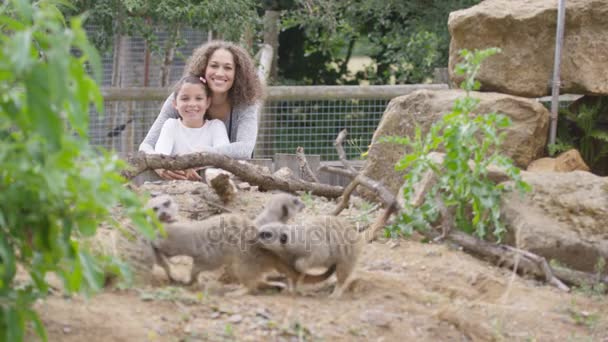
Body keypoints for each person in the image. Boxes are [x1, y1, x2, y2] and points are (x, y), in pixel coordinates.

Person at [140, 40, 264, 180]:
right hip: (177, 178)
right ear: (203, 68)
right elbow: (146, 145)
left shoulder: (246, 103)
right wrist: (159, 164)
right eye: (214, 65)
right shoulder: (182, 99)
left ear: (238, 73)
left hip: (232, 179)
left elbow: (245, 149)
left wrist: (201, 155)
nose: (219, 73)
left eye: (228, 68)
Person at [153, 75, 230, 181]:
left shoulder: (216, 126)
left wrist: (189, 163)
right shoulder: (171, 125)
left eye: (198, 98)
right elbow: (160, 156)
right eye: (185, 98)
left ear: (207, 102)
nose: (192, 104)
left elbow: (223, 157)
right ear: (175, 104)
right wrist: (184, 166)